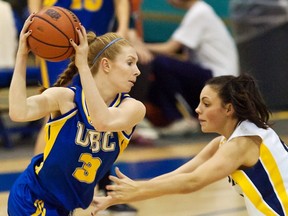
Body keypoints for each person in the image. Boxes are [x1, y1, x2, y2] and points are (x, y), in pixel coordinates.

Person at [92, 73, 288, 215]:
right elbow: (182, 174)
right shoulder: (224, 142)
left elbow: (193, 182)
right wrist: (126, 192)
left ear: (228, 109)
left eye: (206, 104)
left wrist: (139, 191)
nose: (197, 109)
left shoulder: (242, 144)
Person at [8, 14, 145, 215]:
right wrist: (21, 56)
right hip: (33, 197)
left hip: (65, 207)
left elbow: (102, 121)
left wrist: (83, 67)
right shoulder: (65, 99)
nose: (138, 71)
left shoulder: (133, 108)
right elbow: (19, 112)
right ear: (106, 65)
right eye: (130, 62)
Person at [142, 0, 239, 136]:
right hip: (214, 77)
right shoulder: (200, 12)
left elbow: (169, 48)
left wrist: (138, 47)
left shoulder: (200, 12)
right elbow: (183, 60)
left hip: (219, 79)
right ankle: (182, 117)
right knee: (157, 76)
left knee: (160, 63)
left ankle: (179, 119)